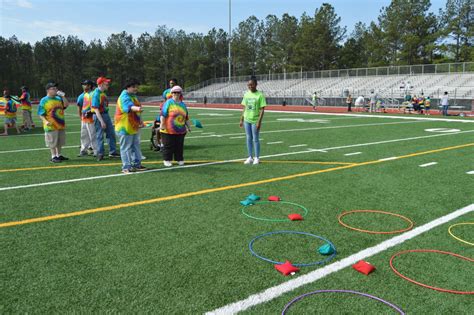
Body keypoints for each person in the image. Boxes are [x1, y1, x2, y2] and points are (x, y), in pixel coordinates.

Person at [115, 78, 147, 173]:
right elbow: (128, 107)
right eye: (133, 87)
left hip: (133, 126)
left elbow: (137, 110)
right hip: (125, 126)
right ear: (127, 87)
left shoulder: (133, 96)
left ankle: (137, 164)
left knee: (135, 146)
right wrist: (136, 108)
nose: (136, 89)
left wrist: (140, 120)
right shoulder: (124, 96)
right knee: (126, 147)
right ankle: (126, 167)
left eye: (137, 87)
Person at [159, 85, 191, 167]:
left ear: (180, 94)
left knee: (179, 146)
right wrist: (162, 124)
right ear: (172, 93)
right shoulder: (168, 102)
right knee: (168, 145)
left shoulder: (183, 104)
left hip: (180, 130)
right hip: (168, 129)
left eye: (178, 92)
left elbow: (186, 117)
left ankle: (179, 159)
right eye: (174, 92)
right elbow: (163, 114)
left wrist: (189, 126)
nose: (176, 94)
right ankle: (167, 159)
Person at [37, 82, 69, 163]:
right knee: (52, 142)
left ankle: (59, 155)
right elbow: (40, 114)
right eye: (53, 88)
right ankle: (53, 156)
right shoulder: (44, 100)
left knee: (60, 141)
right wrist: (45, 121)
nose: (56, 90)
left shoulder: (59, 98)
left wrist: (63, 96)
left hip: (60, 124)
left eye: (56, 88)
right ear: (48, 90)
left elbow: (66, 105)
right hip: (51, 125)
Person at [240, 76, 266, 165]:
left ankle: (257, 158)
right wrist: (241, 119)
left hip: (255, 120)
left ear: (256, 84)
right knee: (248, 138)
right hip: (247, 119)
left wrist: (259, 121)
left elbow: (262, 109)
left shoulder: (260, 95)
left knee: (255, 139)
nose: (250, 86)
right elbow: (244, 107)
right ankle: (250, 157)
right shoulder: (246, 94)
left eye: (251, 84)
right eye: (248, 85)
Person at [91, 76, 119, 161]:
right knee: (100, 135)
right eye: (106, 83)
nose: (108, 85)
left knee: (111, 134)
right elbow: (95, 109)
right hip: (100, 116)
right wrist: (101, 121)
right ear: (101, 84)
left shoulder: (102, 93)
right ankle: (100, 153)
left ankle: (112, 152)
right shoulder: (96, 94)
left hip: (105, 114)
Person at [77, 80, 97, 157]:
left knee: (93, 135)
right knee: (84, 135)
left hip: (91, 117)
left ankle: (96, 151)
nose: (84, 86)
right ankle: (83, 150)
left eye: (85, 84)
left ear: (89, 86)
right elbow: (80, 108)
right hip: (84, 118)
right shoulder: (83, 95)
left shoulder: (93, 94)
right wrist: (81, 117)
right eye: (83, 84)